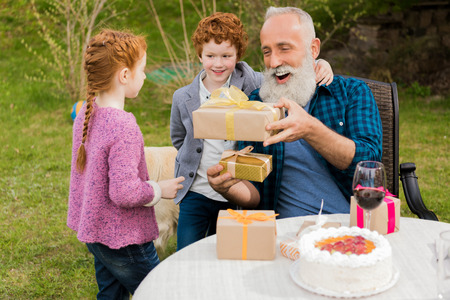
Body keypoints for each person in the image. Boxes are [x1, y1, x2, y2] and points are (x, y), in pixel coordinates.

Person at [170, 12, 334, 250]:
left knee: (223, 248)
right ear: (199, 55)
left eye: (226, 56)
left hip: (232, 190)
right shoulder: (183, 97)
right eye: (210, 56)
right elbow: (178, 137)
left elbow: (285, 74)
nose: (218, 63)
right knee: (186, 249)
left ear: (238, 56)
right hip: (195, 190)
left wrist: (320, 63)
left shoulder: (250, 82)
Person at [207, 6, 383, 218]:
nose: (274, 62)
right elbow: (256, 194)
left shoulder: (352, 93)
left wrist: (309, 129)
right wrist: (228, 188)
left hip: (348, 225)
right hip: (282, 233)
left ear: (313, 49)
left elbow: (369, 163)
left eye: (284, 48)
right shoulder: (256, 104)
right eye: (267, 51)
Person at [68, 29, 185, 299]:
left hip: (96, 231)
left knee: (111, 295)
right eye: (142, 70)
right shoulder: (123, 127)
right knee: (161, 292)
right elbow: (124, 192)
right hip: (125, 239)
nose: (144, 76)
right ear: (124, 75)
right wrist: (159, 189)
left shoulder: (86, 112)